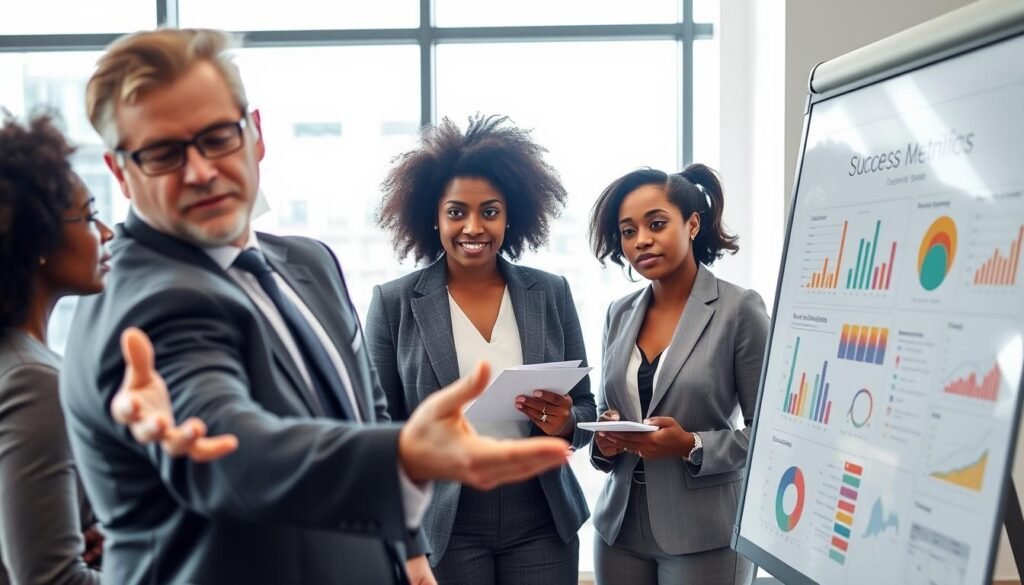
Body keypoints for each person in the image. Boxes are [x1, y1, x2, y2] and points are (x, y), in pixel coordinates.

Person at [59, 28, 570, 585]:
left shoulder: (307, 263)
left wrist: (405, 550)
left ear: (253, 134)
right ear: (118, 171)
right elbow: (238, 450)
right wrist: (405, 455)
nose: (201, 170)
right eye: (162, 153)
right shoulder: (147, 303)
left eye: (216, 137)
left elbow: (363, 412)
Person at [0, 113, 236, 585]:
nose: (107, 233)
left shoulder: (20, 360)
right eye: (88, 216)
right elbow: (50, 578)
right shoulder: (32, 379)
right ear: (39, 239)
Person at [367, 114, 596, 585]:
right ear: (433, 216)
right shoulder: (393, 303)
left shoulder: (550, 293)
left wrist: (566, 421)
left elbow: (585, 408)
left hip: (541, 512)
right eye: (457, 212)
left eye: (489, 211)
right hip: (444, 517)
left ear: (510, 215)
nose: (473, 227)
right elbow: (375, 426)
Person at [586, 166, 769, 585]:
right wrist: (607, 441)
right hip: (619, 529)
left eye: (656, 224)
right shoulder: (619, 313)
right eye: (628, 231)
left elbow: (771, 435)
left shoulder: (739, 310)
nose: (641, 240)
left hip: (704, 533)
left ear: (692, 224)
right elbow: (606, 410)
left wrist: (690, 444)